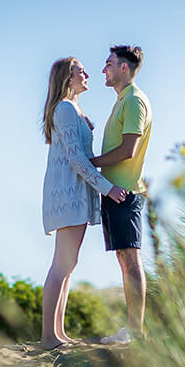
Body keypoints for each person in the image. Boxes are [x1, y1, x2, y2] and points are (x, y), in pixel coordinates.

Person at [40, 57, 128, 349]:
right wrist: (107, 188)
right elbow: (77, 159)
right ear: (68, 78)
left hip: (75, 194)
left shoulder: (73, 108)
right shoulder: (64, 109)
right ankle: (48, 337)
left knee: (69, 263)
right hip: (66, 194)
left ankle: (58, 333)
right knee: (61, 264)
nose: (87, 74)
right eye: (81, 71)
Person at [90, 45, 153, 342]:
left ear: (123, 68)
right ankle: (132, 330)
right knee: (124, 258)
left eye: (109, 64)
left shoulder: (134, 101)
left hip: (125, 193)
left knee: (130, 259)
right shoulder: (123, 101)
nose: (104, 70)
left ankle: (136, 333)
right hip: (116, 193)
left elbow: (129, 150)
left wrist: (90, 163)